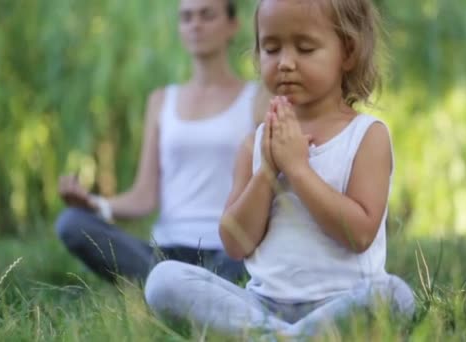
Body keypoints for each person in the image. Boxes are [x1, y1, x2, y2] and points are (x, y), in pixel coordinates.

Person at [144, 0, 415, 337]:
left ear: (347, 52)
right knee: (163, 280)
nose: (285, 63)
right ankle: (287, 336)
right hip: (261, 305)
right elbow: (235, 242)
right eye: (271, 48)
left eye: (305, 48)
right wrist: (268, 172)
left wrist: (298, 170)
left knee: (395, 296)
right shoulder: (254, 144)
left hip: (343, 302)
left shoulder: (367, 136)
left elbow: (359, 234)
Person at [56, 0, 265, 285]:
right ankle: (183, 286)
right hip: (164, 252)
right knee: (71, 222)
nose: (196, 24)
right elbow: (144, 196)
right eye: (186, 17)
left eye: (207, 15)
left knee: (252, 253)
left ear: (232, 25)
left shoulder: (256, 99)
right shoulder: (161, 101)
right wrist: (94, 204)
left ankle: (176, 289)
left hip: (229, 250)